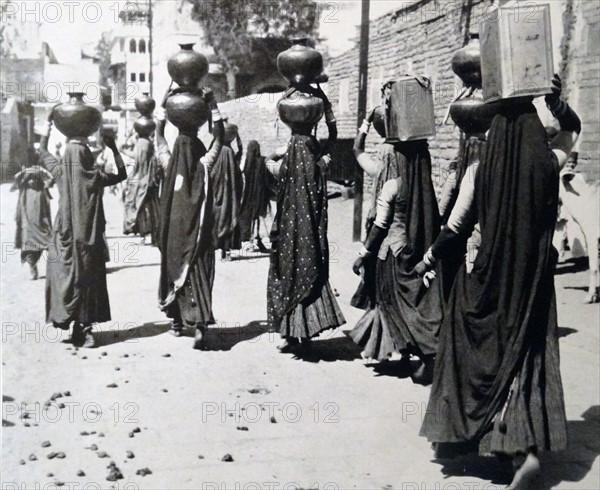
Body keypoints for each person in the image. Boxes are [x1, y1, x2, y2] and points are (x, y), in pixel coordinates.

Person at [416, 75, 581, 489]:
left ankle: (464, 434)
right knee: (528, 353)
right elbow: (571, 133)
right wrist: (553, 102)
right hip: (533, 281)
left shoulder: (478, 169)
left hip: (488, 277)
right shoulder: (548, 162)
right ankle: (521, 450)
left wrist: (428, 259)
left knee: (463, 334)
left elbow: (455, 227)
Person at [350, 123, 443, 384]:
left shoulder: (392, 185)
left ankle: (427, 357)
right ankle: (406, 352)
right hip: (415, 252)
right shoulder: (424, 187)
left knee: (395, 305)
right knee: (412, 304)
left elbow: (380, 226)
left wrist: (363, 253)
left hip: (391, 253)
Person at [268, 85, 346, 353]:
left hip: (290, 228)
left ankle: (292, 331)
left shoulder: (289, 157)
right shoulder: (317, 158)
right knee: (309, 260)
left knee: (289, 263)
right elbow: (333, 135)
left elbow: (272, 167)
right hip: (310, 230)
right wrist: (326, 104)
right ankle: (303, 332)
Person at [42, 115, 128, 348]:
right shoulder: (94, 175)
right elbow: (122, 174)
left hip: (64, 237)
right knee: (88, 281)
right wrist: (113, 148)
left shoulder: (60, 171)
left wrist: (48, 127)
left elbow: (41, 151)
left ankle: (78, 327)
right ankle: (84, 328)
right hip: (88, 240)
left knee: (65, 279)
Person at [155, 90, 224, 350]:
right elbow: (219, 138)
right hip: (199, 236)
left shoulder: (168, 163)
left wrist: (162, 109)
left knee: (174, 270)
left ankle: (176, 323)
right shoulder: (204, 163)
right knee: (198, 274)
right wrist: (213, 105)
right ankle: (201, 326)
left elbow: (159, 139)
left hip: (173, 237)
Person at [351, 106, 405, 310]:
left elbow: (357, 149)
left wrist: (366, 121)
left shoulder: (377, 172)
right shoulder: (406, 181)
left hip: (379, 234)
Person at [11, 146, 54, 280]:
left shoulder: (41, 169)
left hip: (40, 202)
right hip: (27, 203)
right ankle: (32, 266)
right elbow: (15, 182)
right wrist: (24, 174)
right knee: (28, 235)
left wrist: (43, 179)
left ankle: (53, 266)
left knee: (45, 232)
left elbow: (50, 179)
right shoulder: (23, 170)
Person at [122, 131, 162, 245]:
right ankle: (149, 236)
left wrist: (129, 137)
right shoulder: (145, 144)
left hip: (144, 183)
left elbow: (139, 158)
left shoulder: (142, 145)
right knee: (148, 208)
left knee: (144, 209)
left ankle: (147, 235)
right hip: (148, 182)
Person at [210, 125, 243, 261]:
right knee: (228, 219)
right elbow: (237, 176)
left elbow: (210, 172)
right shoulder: (229, 151)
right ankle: (226, 251)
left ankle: (220, 250)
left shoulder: (217, 151)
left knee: (218, 220)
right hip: (229, 195)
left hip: (217, 194)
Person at [239, 140, 272, 253]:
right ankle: (258, 241)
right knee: (258, 218)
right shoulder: (262, 161)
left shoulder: (247, 162)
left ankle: (250, 242)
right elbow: (267, 179)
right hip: (260, 196)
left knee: (249, 218)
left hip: (248, 197)